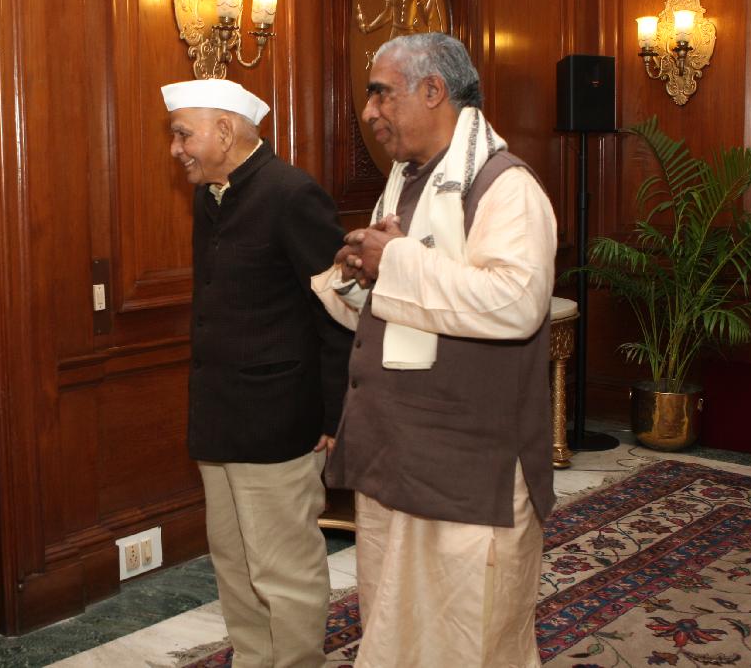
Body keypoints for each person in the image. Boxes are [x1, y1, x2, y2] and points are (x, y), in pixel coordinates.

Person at [312, 33, 556, 667]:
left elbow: (515, 302)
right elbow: (405, 304)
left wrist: (394, 261)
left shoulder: (505, 186)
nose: (369, 112)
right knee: (396, 628)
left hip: (467, 464)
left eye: (381, 94)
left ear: (432, 90)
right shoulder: (404, 182)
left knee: (469, 634)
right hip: (396, 452)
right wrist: (360, 272)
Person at [162, 78, 352, 668]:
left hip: (279, 422)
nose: (175, 149)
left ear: (224, 131)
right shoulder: (209, 196)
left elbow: (338, 311)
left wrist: (334, 415)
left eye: (182, 134)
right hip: (218, 418)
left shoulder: (292, 194)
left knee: (283, 568)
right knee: (234, 562)